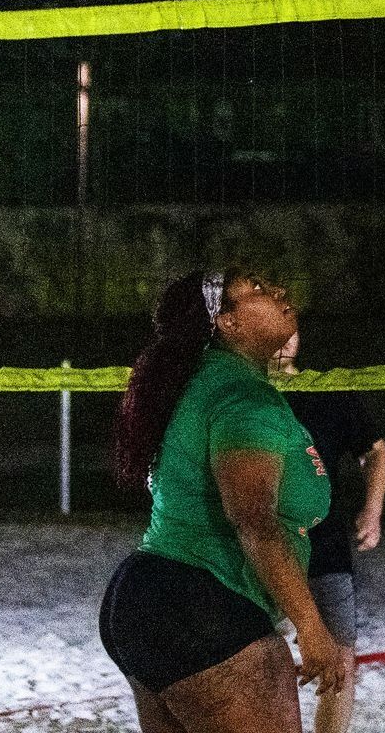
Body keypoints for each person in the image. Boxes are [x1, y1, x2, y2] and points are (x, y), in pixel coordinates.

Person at [100, 271, 344, 733]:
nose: (279, 291)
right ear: (226, 322)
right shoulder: (242, 396)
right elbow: (254, 520)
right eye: (257, 288)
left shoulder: (199, 384)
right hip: (202, 608)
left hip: (143, 600)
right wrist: (311, 628)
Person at [274, 329, 385, 733]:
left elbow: (374, 450)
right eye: (275, 327)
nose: (285, 339)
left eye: (292, 329)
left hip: (323, 546)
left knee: (340, 661)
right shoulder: (241, 396)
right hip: (257, 548)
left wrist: (372, 510)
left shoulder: (327, 391)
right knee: (255, 663)